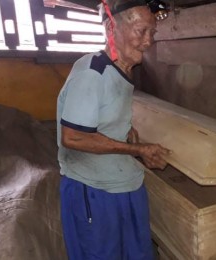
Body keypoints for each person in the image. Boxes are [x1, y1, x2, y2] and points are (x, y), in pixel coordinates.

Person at [56, 0, 170, 259]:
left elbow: (105, 112)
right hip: (94, 191)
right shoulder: (91, 72)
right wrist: (137, 149)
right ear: (111, 27)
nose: (148, 41)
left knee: (136, 253)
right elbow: (73, 136)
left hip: (124, 183)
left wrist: (125, 129)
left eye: (152, 33)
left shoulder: (122, 71)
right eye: (141, 30)